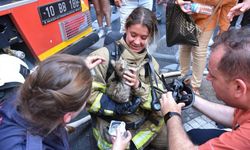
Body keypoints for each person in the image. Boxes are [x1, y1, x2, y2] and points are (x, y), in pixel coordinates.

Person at [0, 54, 131, 149]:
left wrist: (77, 73)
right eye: (85, 101)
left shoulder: (23, 98)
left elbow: (51, 83)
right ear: (67, 116)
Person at [88, 7, 168, 149]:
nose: (137, 42)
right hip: (113, 128)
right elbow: (87, 96)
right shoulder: (102, 57)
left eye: (143, 38)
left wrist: (138, 87)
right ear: (125, 28)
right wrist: (119, 107)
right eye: (133, 34)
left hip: (146, 124)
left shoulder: (151, 64)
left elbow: (160, 102)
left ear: (150, 36)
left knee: (172, 139)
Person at [160, 27, 250, 149]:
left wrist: (171, 115)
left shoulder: (246, 137)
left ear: (239, 87)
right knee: (195, 135)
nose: (207, 78)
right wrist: (192, 99)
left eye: (213, 76)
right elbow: (236, 116)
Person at [176, 0, 237, 95]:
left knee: (199, 51)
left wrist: (223, 30)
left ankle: (195, 84)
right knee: (184, 46)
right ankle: (184, 76)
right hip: (186, 14)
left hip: (207, 19)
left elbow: (227, 7)